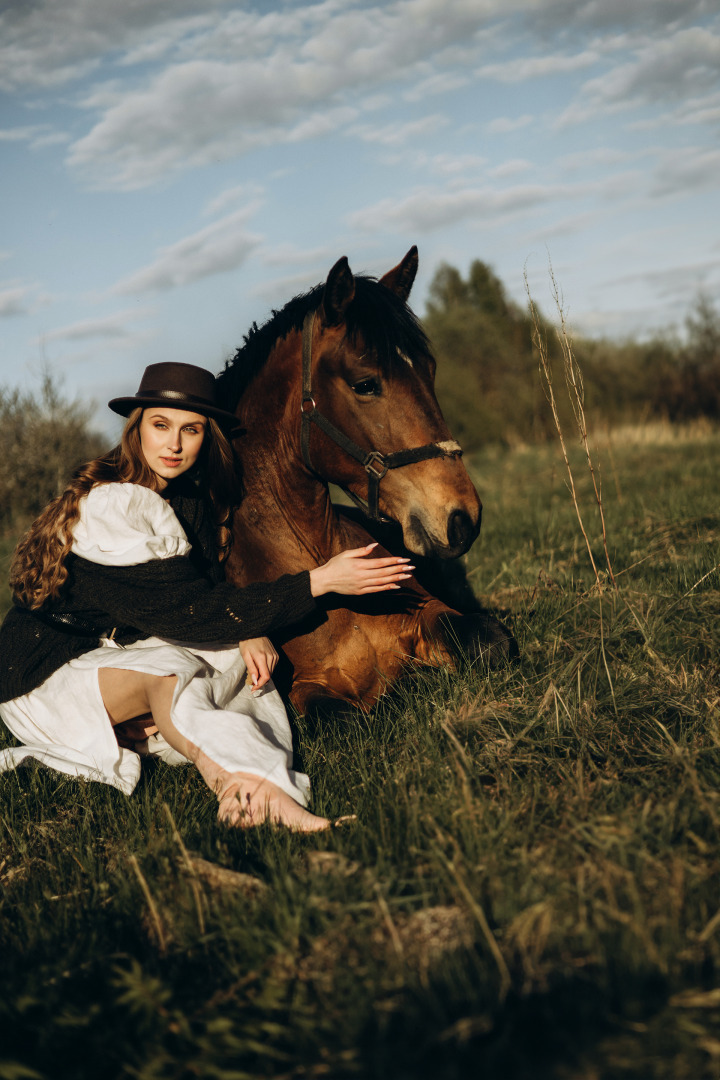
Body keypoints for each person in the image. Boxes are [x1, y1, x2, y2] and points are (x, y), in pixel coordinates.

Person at [0, 363, 413, 832]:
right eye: (160, 426)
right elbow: (187, 612)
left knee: (239, 669)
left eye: (190, 429)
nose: (173, 445)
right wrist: (319, 581)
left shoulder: (186, 500)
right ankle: (235, 785)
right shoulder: (114, 504)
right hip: (45, 673)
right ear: (137, 430)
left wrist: (247, 631)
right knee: (173, 674)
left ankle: (249, 799)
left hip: (109, 652)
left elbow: (200, 591)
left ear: (206, 436)